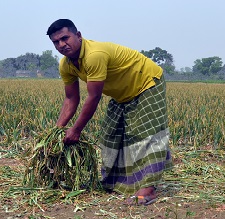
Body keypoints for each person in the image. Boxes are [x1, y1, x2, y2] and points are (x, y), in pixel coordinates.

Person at [46, 19, 172, 205]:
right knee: (111, 134)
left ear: (78, 36)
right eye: (56, 42)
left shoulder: (94, 55)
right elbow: (71, 99)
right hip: (122, 94)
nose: (61, 45)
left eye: (65, 38)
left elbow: (94, 97)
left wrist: (76, 130)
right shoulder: (66, 65)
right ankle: (117, 183)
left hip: (146, 82)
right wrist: (56, 131)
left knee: (145, 135)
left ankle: (149, 189)